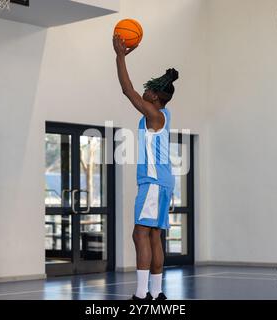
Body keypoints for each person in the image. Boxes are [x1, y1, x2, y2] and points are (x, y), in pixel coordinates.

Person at [113, 34, 179, 300]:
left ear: (155, 97)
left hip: (153, 182)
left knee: (140, 232)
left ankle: (142, 296)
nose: (144, 91)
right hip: (164, 181)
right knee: (154, 235)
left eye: (149, 90)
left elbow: (127, 90)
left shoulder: (153, 114)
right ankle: (156, 292)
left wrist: (119, 55)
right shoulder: (164, 115)